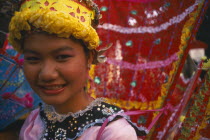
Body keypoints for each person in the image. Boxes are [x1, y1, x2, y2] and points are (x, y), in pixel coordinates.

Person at [8, 0, 147, 139]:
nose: (47, 74)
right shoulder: (33, 121)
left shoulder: (112, 133)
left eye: (62, 57)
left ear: (89, 58)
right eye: (33, 59)